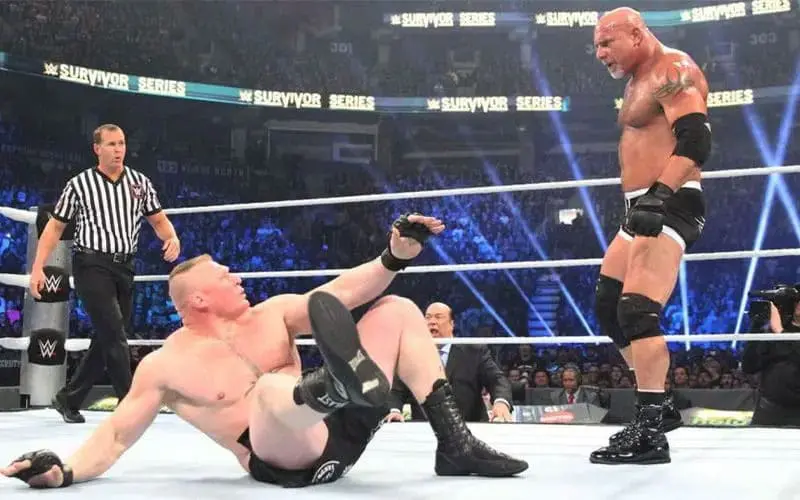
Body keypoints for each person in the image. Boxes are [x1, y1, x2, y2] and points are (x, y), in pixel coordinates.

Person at [2, 213, 528, 489]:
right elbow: (116, 435)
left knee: (398, 310)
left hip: (339, 428)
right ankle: (334, 384)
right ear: (199, 299)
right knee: (272, 388)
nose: (238, 277)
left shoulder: (272, 312)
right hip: (286, 458)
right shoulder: (166, 364)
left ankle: (454, 442)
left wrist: (394, 256)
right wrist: (65, 470)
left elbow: (341, 294)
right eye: (225, 276)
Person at [589, 7, 711, 464]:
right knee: (608, 304)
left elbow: (695, 141)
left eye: (607, 43)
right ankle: (662, 404)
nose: (600, 54)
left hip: (670, 200)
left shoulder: (672, 68)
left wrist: (659, 196)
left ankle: (650, 432)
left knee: (637, 309)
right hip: (639, 206)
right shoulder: (636, 80)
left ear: (637, 35)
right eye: (597, 46)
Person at [29, 123, 181, 424]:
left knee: (108, 336)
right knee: (114, 333)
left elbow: (158, 219)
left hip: (125, 266)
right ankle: (130, 402)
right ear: (97, 149)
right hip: (91, 264)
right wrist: (37, 267)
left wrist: (171, 237)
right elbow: (55, 226)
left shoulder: (139, 182)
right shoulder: (80, 184)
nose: (118, 149)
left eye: (121, 143)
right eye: (111, 144)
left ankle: (69, 398)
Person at [385, 301, 513, 423]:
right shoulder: (413, 355)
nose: (432, 322)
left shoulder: (473, 351)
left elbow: (497, 380)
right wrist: (394, 410)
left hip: (470, 426)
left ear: (452, 324)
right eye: (428, 317)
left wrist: (501, 402)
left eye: (438, 317)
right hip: (424, 429)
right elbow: (396, 390)